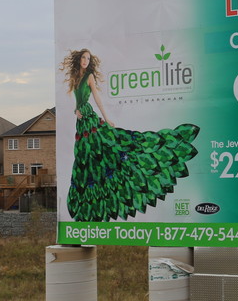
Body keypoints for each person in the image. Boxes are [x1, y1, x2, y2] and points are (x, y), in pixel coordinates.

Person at [60, 48, 199, 222]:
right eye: (83, 58)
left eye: (88, 58)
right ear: (78, 59)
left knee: (108, 150)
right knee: (85, 158)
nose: (85, 61)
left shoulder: (89, 77)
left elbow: (96, 98)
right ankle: (94, 202)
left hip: (90, 120)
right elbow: (78, 99)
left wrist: (106, 118)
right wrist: (76, 110)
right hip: (81, 123)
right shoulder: (75, 78)